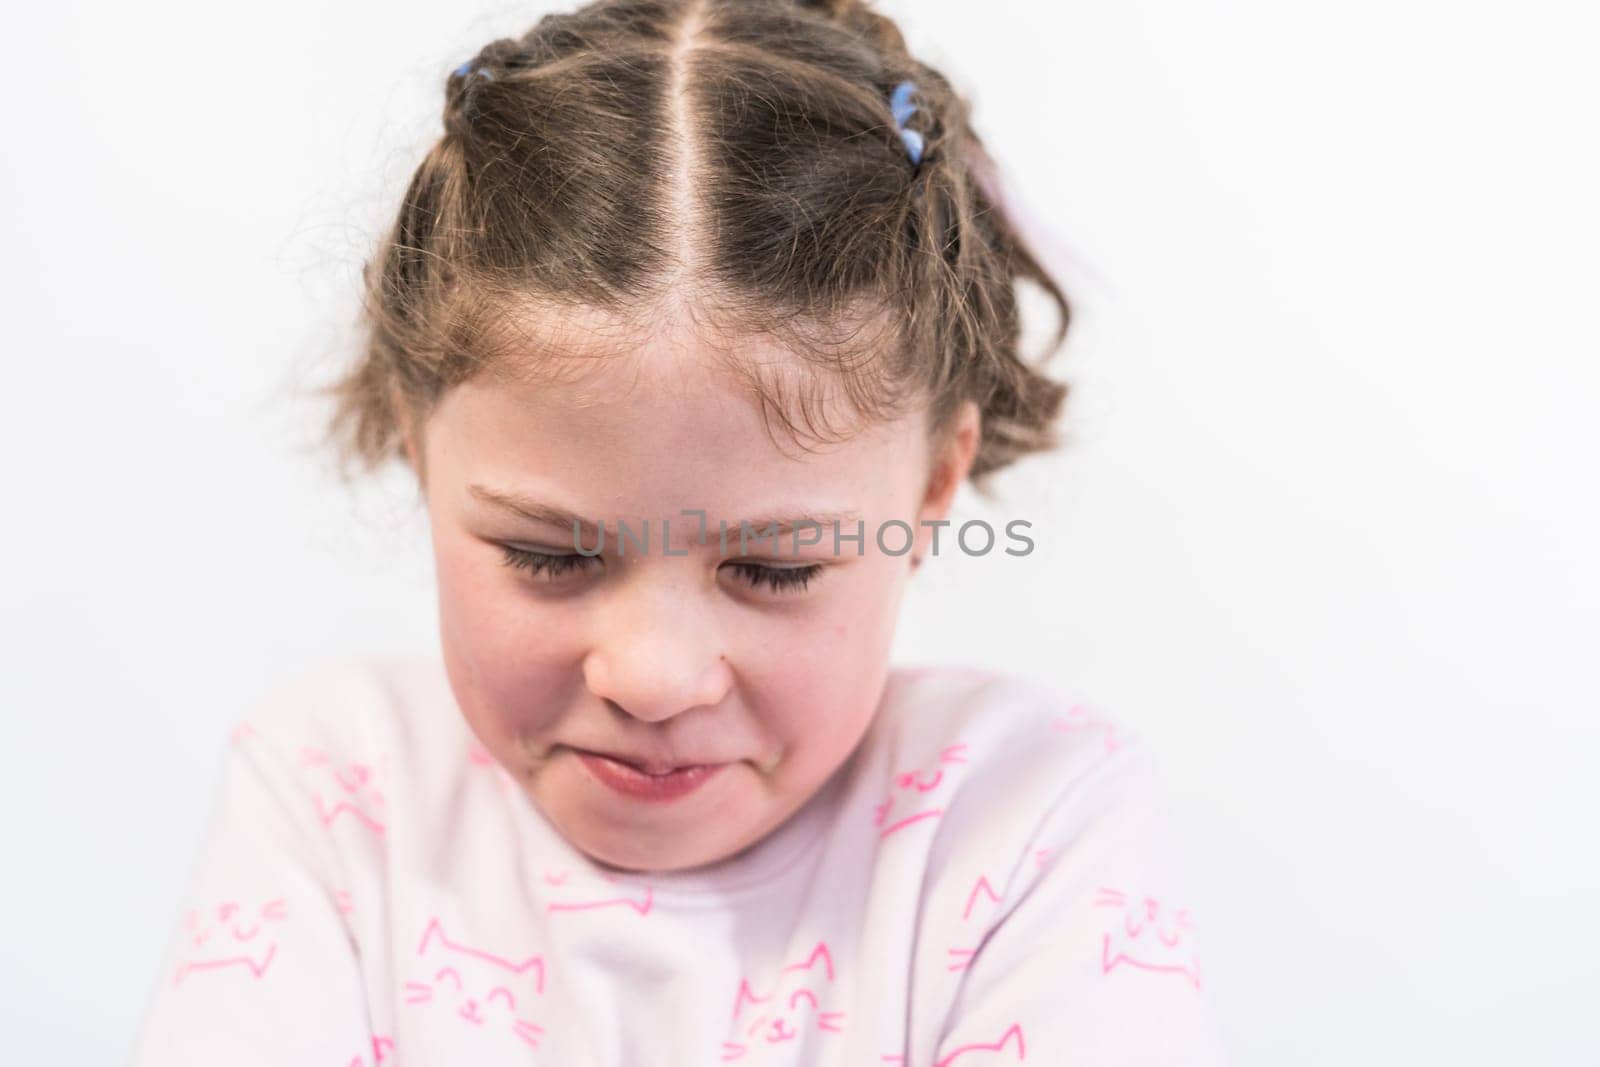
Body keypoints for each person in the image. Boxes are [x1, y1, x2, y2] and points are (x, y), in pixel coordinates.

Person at [130, 1, 1229, 1062]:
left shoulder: (1021, 822)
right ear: (421, 448)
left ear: (931, 489)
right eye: (549, 555)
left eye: (772, 565)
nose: (652, 678)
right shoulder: (340, 793)